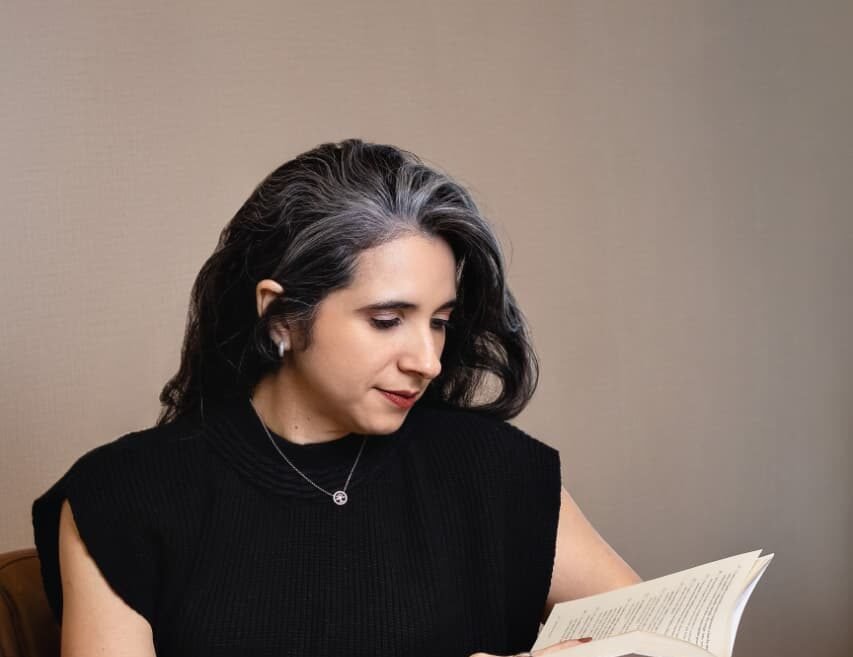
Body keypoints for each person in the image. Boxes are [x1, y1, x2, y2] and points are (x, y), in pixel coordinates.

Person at [32, 139, 639, 657]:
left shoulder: (496, 468)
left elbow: (660, 634)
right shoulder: (123, 496)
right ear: (281, 316)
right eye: (387, 320)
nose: (428, 361)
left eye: (439, 322)